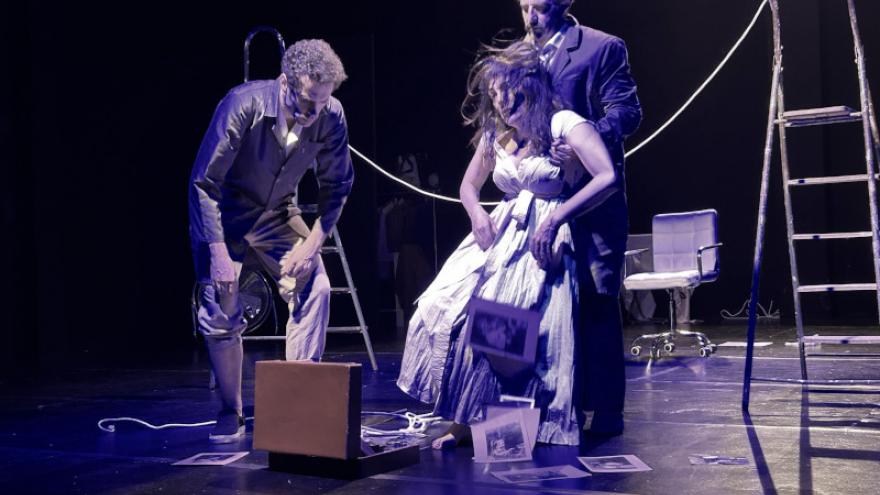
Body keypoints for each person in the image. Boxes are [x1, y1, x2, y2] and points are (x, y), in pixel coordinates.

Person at [396, 41, 618, 448]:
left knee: (504, 331)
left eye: (507, 91)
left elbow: (606, 176)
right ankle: (463, 418)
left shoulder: (563, 124)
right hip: (499, 236)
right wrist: (476, 213)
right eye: (494, 94)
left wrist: (557, 217)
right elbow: (468, 185)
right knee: (444, 310)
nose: (500, 102)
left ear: (529, 85)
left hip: (541, 241)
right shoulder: (497, 135)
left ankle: (506, 428)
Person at [188, 39, 354, 443]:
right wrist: (218, 252)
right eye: (307, 101)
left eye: (322, 102)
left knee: (316, 287)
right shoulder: (242, 105)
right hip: (227, 215)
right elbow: (204, 184)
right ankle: (230, 410)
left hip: (278, 213)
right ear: (284, 84)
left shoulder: (331, 114)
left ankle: (296, 405)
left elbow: (337, 186)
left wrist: (312, 245)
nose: (313, 113)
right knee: (221, 308)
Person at [518, 0, 642, 437]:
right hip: (539, 198)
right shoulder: (520, 56)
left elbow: (627, 113)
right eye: (523, 6)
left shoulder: (601, 47)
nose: (529, 17)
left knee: (595, 298)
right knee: (533, 302)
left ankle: (605, 411)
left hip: (592, 199)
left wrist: (582, 138)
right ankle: (540, 408)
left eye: (538, 7)